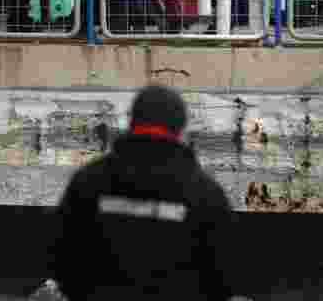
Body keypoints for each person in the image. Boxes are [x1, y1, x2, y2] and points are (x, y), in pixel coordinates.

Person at [49, 85, 238, 301]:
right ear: (180, 127)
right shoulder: (205, 193)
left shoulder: (89, 181)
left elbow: (60, 254)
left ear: (133, 121)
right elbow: (225, 274)